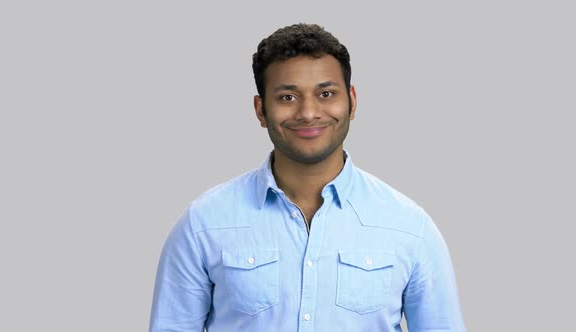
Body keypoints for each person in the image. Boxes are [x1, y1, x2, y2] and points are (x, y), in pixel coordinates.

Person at [149, 23, 465, 332]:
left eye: (326, 94)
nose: (308, 113)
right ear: (260, 110)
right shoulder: (203, 224)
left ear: (352, 101)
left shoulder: (409, 226)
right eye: (287, 97)